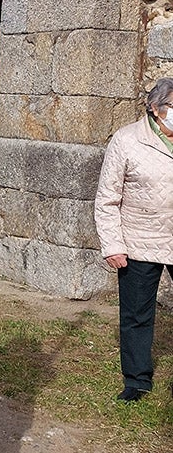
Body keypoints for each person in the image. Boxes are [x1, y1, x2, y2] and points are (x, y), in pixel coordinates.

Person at [93, 78, 173, 402]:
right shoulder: (126, 141)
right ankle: (137, 380)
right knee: (137, 314)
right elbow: (107, 198)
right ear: (155, 109)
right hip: (141, 239)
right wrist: (113, 245)